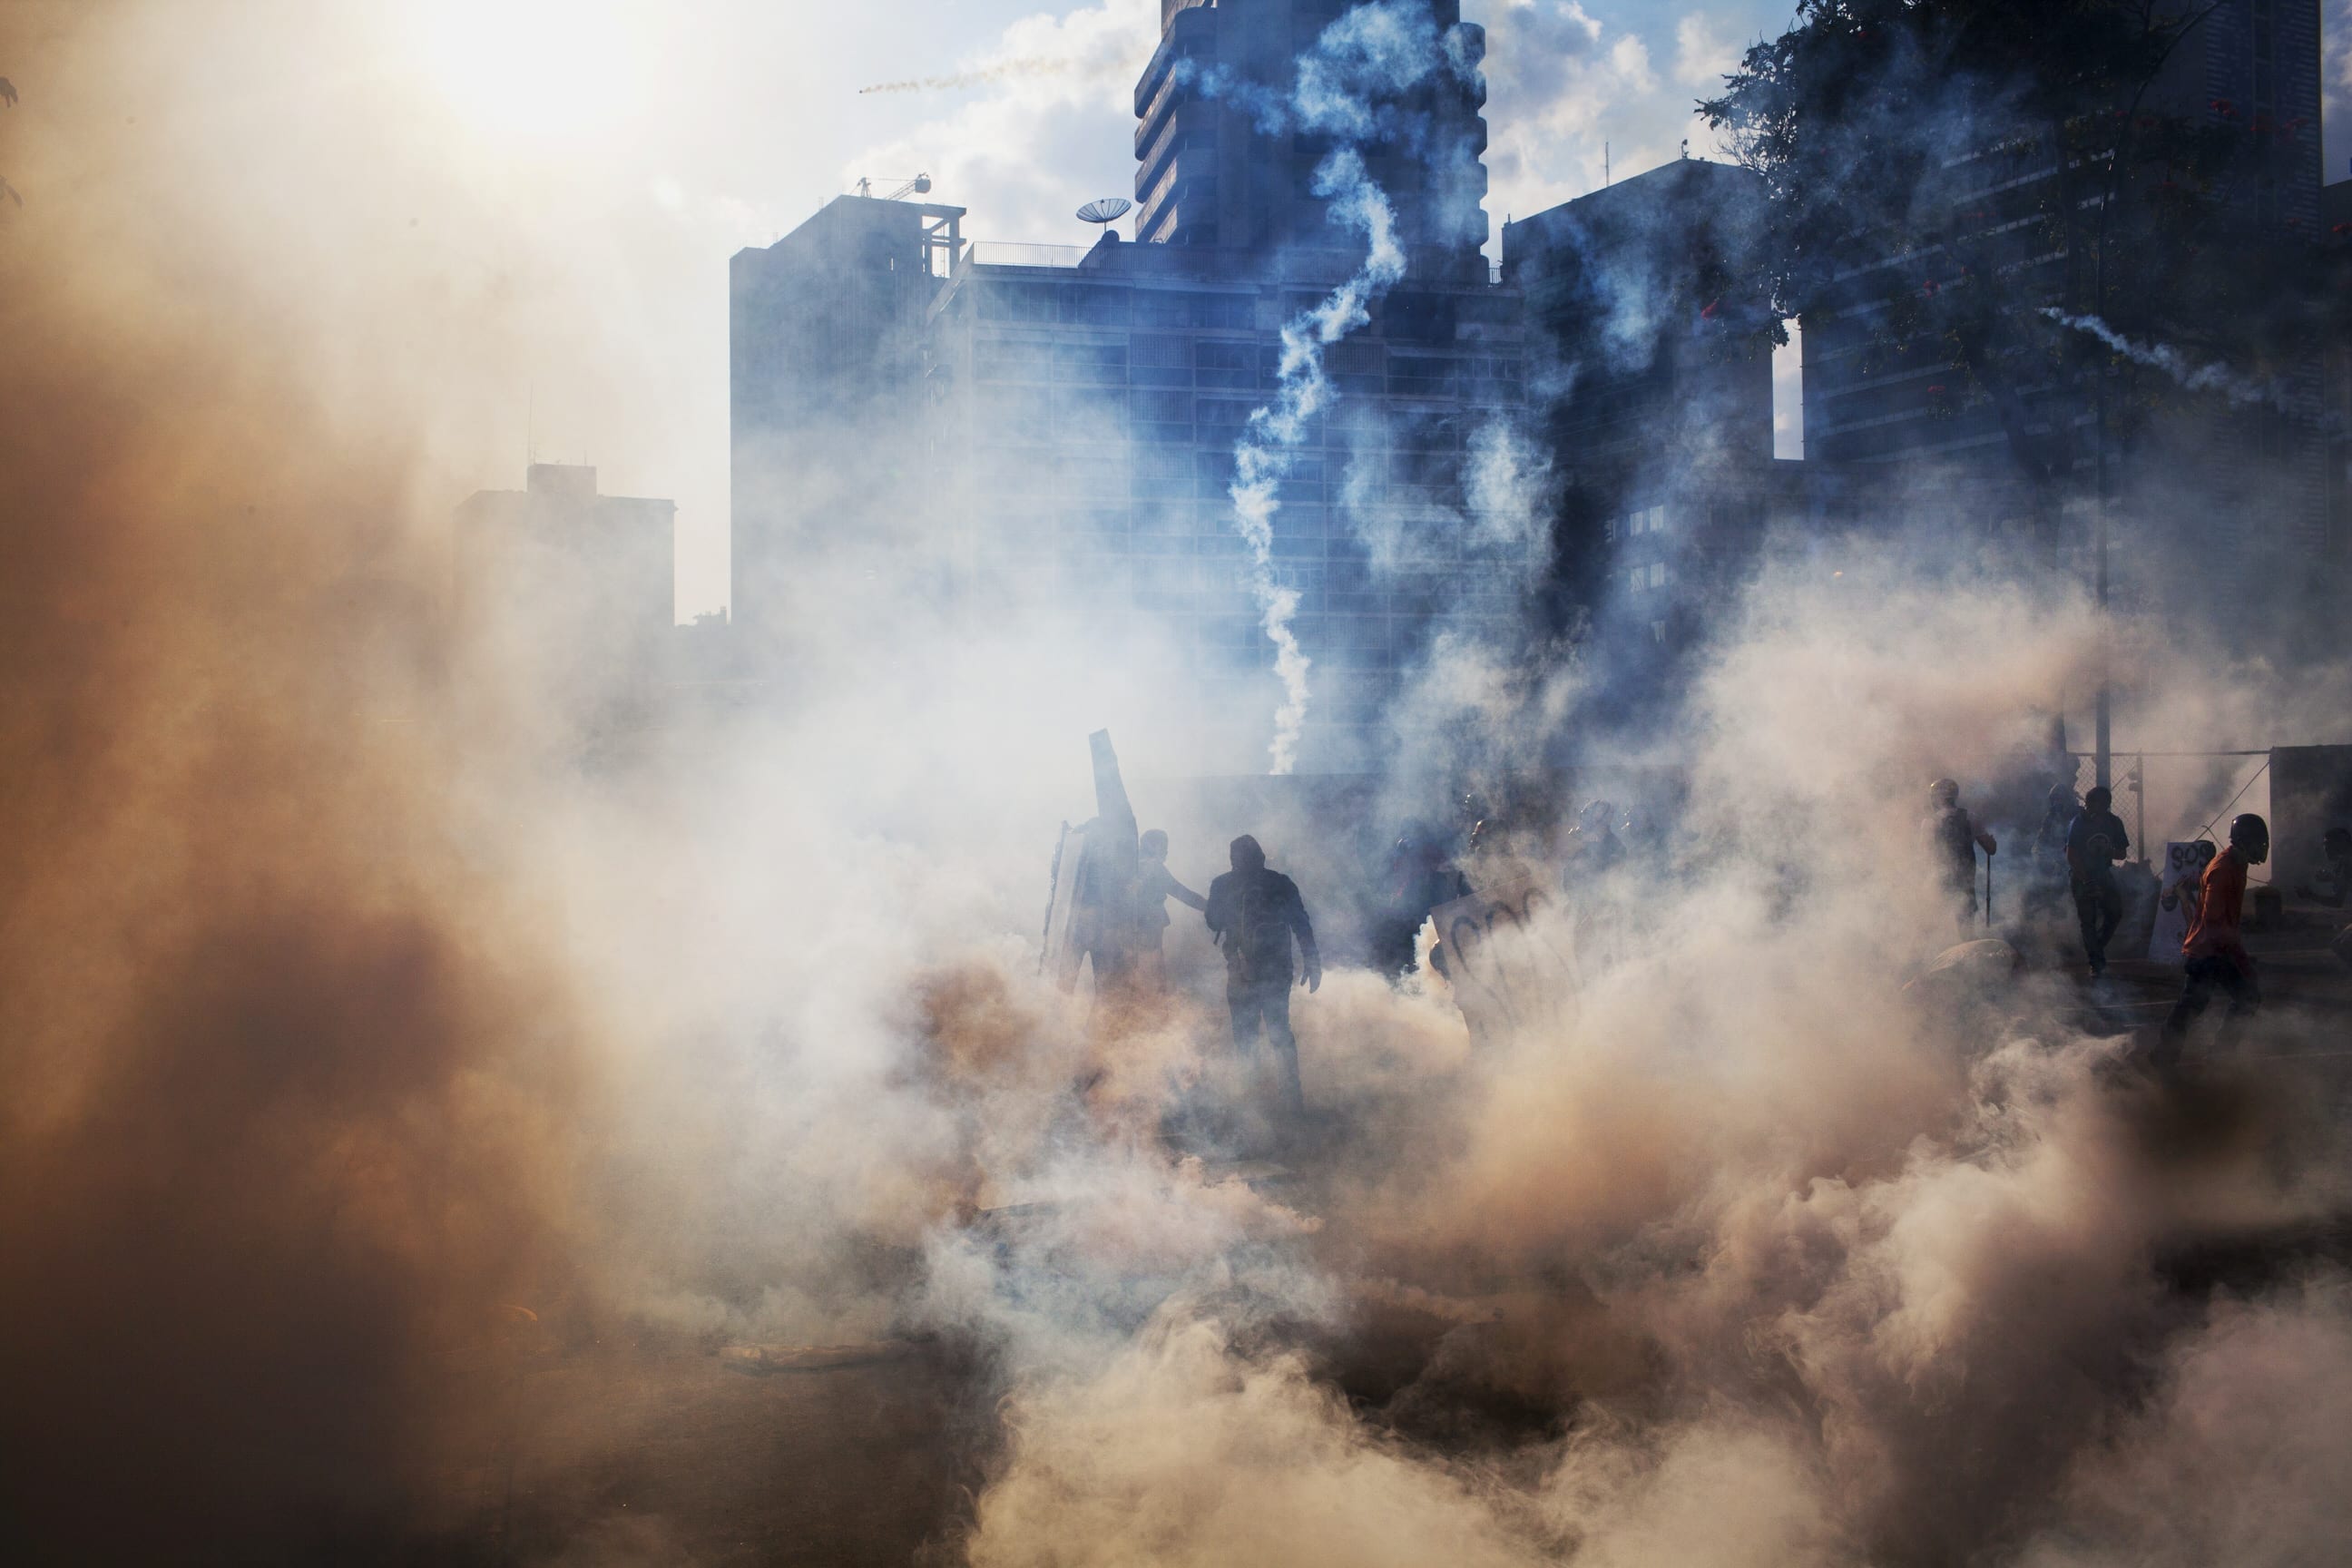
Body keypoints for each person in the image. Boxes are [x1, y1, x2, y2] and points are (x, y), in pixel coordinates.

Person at [1204, 834, 1321, 1116]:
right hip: (1277, 968)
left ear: (1233, 859)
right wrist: (1312, 961)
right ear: (1261, 856)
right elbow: (1301, 923)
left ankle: (1253, 1108)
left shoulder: (1222, 884)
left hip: (1241, 968)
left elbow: (1212, 921)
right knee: (1280, 1032)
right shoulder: (1280, 882)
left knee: (1245, 1038)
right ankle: (1293, 1103)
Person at [2155, 812, 2268, 1069]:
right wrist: (2240, 957)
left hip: (2211, 949)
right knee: (2240, 998)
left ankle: (2165, 1057)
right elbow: (2215, 921)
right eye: (2256, 841)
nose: (2260, 847)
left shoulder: (2234, 863)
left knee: (2193, 1004)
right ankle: (2213, 1057)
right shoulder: (2225, 869)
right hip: (2209, 951)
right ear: (2242, 841)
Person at [2065, 785, 2132, 977]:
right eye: (2088, 805)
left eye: (2094, 805)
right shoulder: (2078, 822)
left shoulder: (2114, 823)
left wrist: (2108, 851)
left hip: (2103, 874)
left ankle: (2097, 947)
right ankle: (2096, 962)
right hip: (2081, 875)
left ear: (2105, 806)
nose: (2089, 809)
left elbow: (2122, 853)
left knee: (2115, 913)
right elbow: (2071, 855)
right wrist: (2086, 880)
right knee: (2088, 920)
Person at [1130, 828, 1206, 985]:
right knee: (1153, 979)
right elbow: (1181, 893)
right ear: (1154, 846)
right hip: (1148, 933)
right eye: (1164, 846)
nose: (1166, 851)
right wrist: (1211, 907)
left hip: (1131, 934)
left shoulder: (1131, 866)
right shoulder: (1154, 867)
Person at [1925, 778, 1997, 933]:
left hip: (1939, 878)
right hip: (1966, 877)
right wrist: (1992, 842)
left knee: (1940, 920)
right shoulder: (1970, 817)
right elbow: (1991, 849)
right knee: (1965, 922)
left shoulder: (1930, 823)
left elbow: (1925, 854)